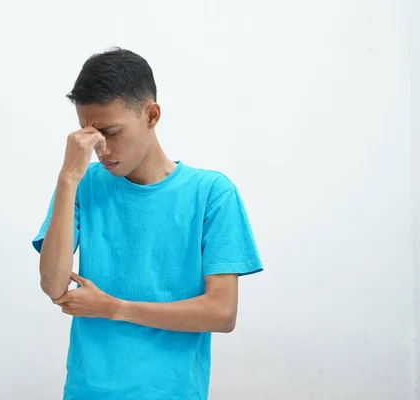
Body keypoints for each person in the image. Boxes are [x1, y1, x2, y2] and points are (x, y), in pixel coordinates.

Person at [32, 47, 263, 400]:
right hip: (87, 390)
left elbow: (221, 312)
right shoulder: (83, 184)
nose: (101, 149)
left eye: (110, 131)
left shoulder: (211, 193)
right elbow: (53, 285)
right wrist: (67, 178)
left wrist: (114, 308)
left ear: (151, 115)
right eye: (89, 136)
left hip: (172, 391)